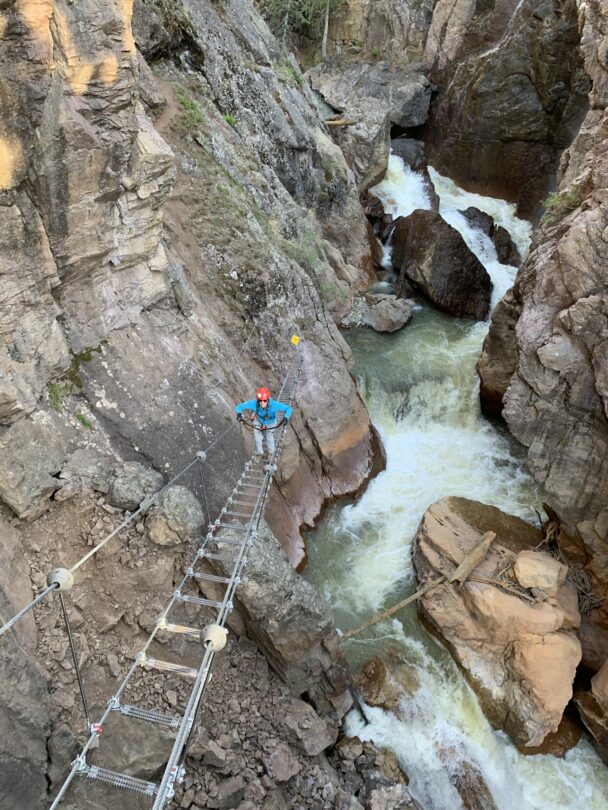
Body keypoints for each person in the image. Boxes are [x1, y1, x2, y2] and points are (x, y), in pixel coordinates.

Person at [235, 387, 292, 459]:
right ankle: (259, 453)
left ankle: (271, 453)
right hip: (259, 420)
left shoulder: (274, 405)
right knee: (257, 438)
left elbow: (288, 408)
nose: (262, 402)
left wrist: (286, 417)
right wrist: (239, 414)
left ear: (268, 399)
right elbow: (239, 407)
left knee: (269, 436)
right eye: (260, 400)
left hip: (270, 422)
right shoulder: (254, 403)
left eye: (264, 400)